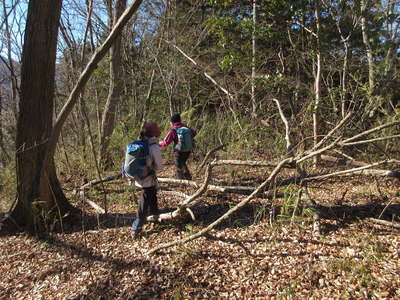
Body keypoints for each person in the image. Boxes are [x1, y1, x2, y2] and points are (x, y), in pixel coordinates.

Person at [131, 121, 163, 238]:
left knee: (152, 194)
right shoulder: (153, 146)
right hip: (147, 178)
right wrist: (153, 168)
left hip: (138, 176)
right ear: (154, 132)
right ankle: (136, 227)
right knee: (144, 202)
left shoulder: (138, 142)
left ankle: (155, 216)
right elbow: (159, 166)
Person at [159, 113, 196, 180]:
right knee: (183, 163)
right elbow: (194, 132)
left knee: (178, 166)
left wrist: (158, 143)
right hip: (188, 150)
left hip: (179, 150)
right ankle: (188, 178)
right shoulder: (185, 127)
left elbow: (166, 142)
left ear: (172, 122)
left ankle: (180, 181)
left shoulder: (173, 130)